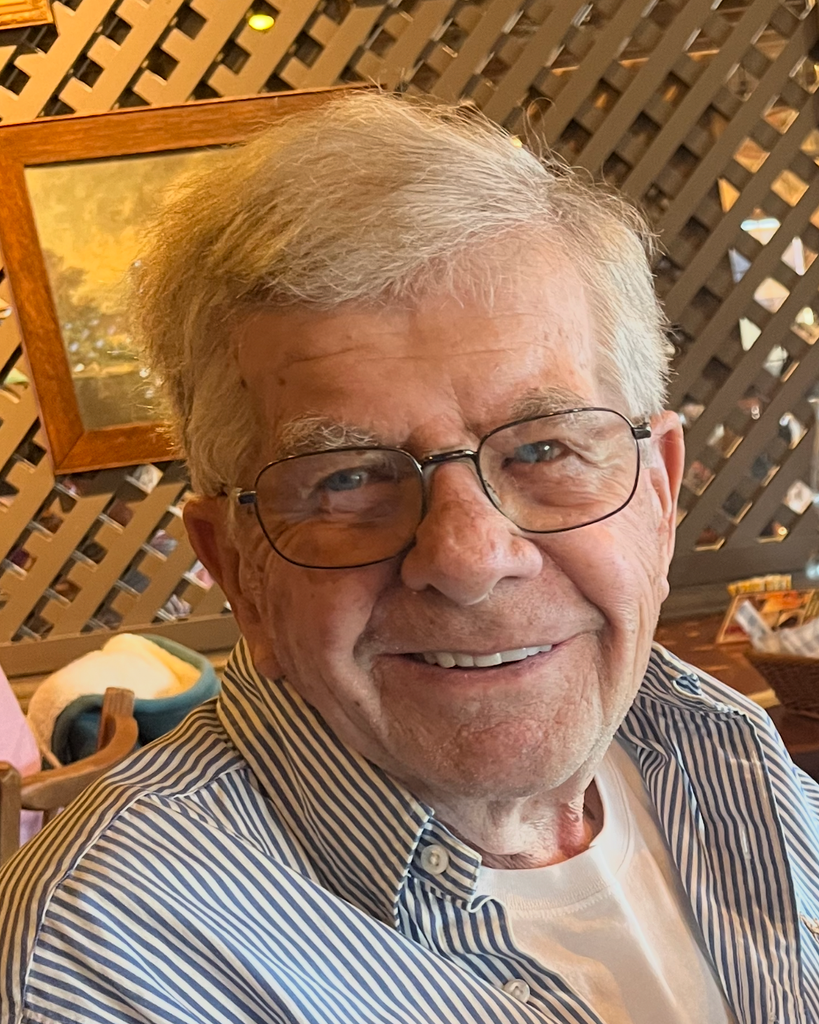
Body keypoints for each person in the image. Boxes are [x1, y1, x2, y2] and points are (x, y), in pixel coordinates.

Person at [2, 91, 818, 1024]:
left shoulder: (719, 744)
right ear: (237, 569)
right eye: (347, 479)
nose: (469, 557)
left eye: (544, 448)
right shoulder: (104, 960)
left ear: (659, 497)